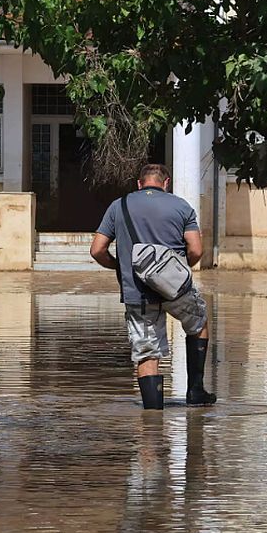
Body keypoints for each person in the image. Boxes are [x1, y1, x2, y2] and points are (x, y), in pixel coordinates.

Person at [90, 164, 216, 410]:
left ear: (139, 183)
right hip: (175, 288)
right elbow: (196, 250)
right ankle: (195, 391)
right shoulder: (181, 206)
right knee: (198, 323)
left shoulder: (119, 206)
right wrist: (175, 272)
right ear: (166, 183)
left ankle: (152, 418)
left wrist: (120, 266)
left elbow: (97, 250)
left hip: (137, 290)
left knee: (147, 349)